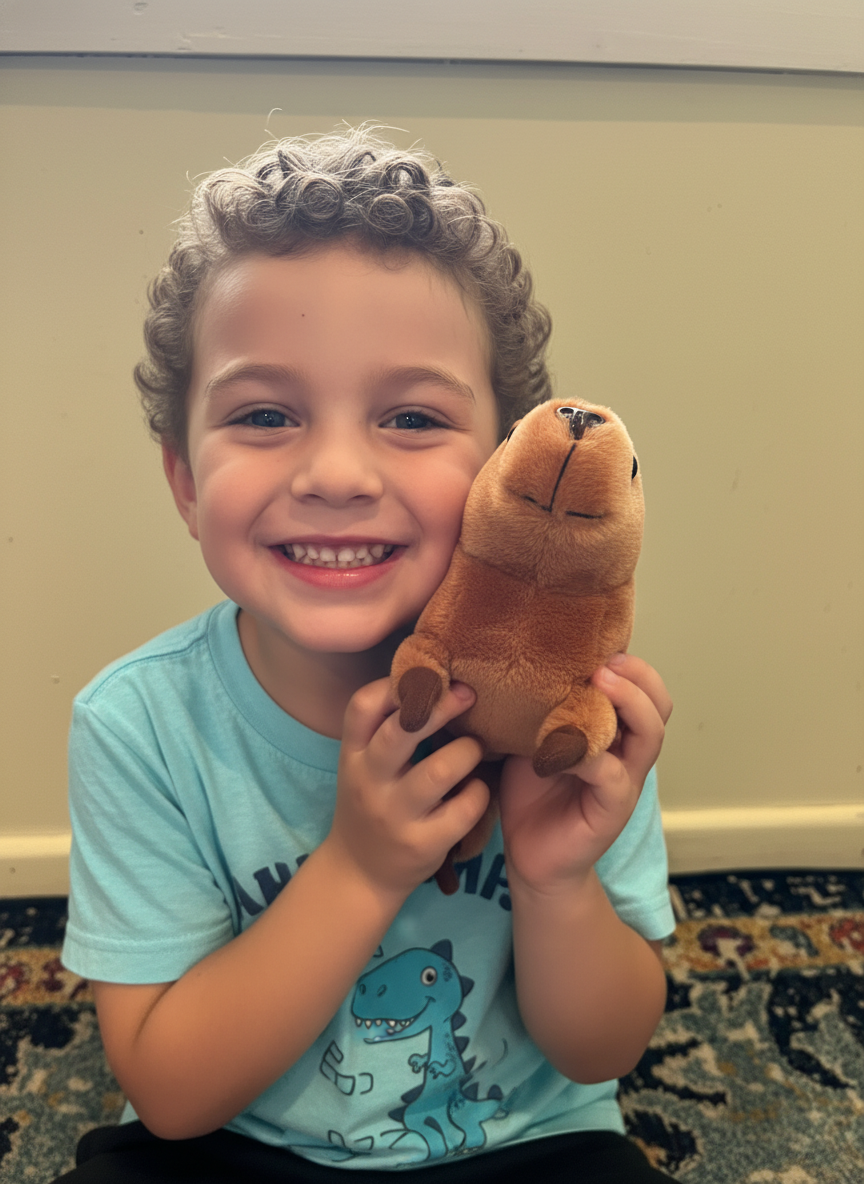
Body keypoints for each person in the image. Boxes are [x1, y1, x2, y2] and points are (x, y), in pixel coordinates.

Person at [57, 128, 676, 1183]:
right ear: (186, 483)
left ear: (505, 470)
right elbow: (171, 1094)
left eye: (411, 417)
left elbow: (602, 1050)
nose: (337, 472)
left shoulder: (570, 716)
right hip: (241, 1147)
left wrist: (556, 880)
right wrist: (359, 867)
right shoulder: (139, 725)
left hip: (524, 1143)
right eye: (265, 414)